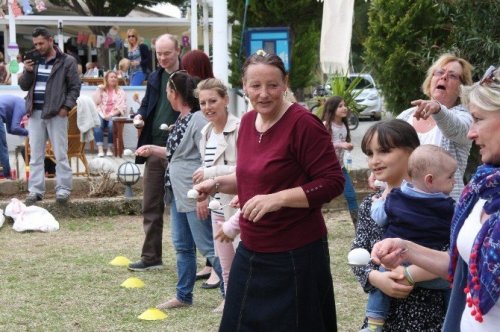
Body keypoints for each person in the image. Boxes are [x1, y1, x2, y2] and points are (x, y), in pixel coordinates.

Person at [194, 51, 344, 331]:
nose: (263, 94)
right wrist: (215, 184)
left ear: (285, 83)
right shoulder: (248, 123)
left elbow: (333, 182)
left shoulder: (304, 124)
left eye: (272, 85)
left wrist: (278, 199)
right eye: (255, 86)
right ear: (244, 85)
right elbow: (252, 178)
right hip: (251, 250)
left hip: (296, 254)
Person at [371, 66, 500, 332]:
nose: (471, 133)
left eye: (478, 120)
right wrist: (405, 248)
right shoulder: (481, 189)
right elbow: (458, 265)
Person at [352, 119, 452, 331]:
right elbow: (358, 253)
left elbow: (455, 256)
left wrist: (409, 275)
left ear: (412, 152)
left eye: (384, 151)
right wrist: (377, 279)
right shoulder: (371, 204)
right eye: (370, 153)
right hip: (383, 318)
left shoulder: (438, 203)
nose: (374, 161)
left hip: (431, 315)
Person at [136, 70, 222, 309]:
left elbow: (207, 157)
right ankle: (183, 295)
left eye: (168, 92)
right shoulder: (182, 120)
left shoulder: (197, 120)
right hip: (176, 193)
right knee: (182, 246)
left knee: (207, 246)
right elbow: (178, 154)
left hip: (193, 193)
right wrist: (153, 149)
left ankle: (230, 294)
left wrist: (204, 194)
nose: (167, 97)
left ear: (175, 94)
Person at [128, 34, 181, 272]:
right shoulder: (154, 77)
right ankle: (151, 257)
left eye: (167, 53)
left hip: (182, 151)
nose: (162, 58)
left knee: (188, 205)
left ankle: (208, 262)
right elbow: (147, 104)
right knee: (150, 204)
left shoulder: (188, 79)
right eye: (159, 53)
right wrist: (139, 116)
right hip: (154, 148)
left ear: (178, 51)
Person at [192, 78, 240, 313]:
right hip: (216, 207)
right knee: (225, 262)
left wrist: (210, 174)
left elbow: (245, 169)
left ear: (225, 100)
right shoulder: (206, 132)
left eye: (213, 100)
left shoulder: (239, 128)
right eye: (202, 103)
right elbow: (205, 172)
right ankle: (229, 299)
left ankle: (243, 301)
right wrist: (204, 195)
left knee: (242, 258)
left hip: (236, 205)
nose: (208, 107)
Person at [397, 53, 473, 201]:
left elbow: (457, 129)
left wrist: (438, 108)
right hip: (403, 204)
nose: (443, 77)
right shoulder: (406, 116)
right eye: (439, 72)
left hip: (444, 211)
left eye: (452, 76)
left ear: (461, 88)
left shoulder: (465, 117)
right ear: (430, 79)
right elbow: (390, 149)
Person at [19, 27, 81, 205]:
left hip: (56, 113)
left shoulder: (66, 61)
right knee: (36, 154)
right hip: (35, 113)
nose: (38, 47)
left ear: (50, 40)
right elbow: (24, 86)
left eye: (41, 43)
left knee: (61, 153)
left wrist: (66, 107)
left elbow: (75, 87)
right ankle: (36, 191)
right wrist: (28, 71)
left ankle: (63, 189)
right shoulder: (34, 60)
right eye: (35, 44)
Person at [181, 48, 219, 289]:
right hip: (205, 175)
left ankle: (218, 269)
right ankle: (210, 264)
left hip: (213, 176)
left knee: (214, 221)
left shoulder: (204, 101)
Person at [321, 96, 359, 228]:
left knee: (351, 195)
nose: (344, 108)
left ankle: (358, 228)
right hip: (325, 169)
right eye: (340, 106)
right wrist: (340, 145)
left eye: (345, 105)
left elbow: (341, 144)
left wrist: (347, 146)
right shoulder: (326, 125)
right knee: (319, 198)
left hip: (341, 168)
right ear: (332, 109)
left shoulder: (344, 125)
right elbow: (321, 146)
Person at [92, 71, 127, 157]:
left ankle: (109, 148)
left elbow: (122, 107)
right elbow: (96, 102)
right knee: (97, 123)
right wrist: (99, 90)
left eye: (115, 77)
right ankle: (100, 149)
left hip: (114, 114)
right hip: (101, 113)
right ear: (106, 79)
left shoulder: (120, 91)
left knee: (112, 125)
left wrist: (110, 115)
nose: (113, 78)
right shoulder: (101, 89)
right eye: (111, 77)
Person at [0, 96, 28, 179]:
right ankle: (7, 176)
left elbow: (10, 130)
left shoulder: (13, 105)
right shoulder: (23, 105)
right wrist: (30, 133)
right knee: (2, 147)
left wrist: (24, 132)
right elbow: (15, 128)